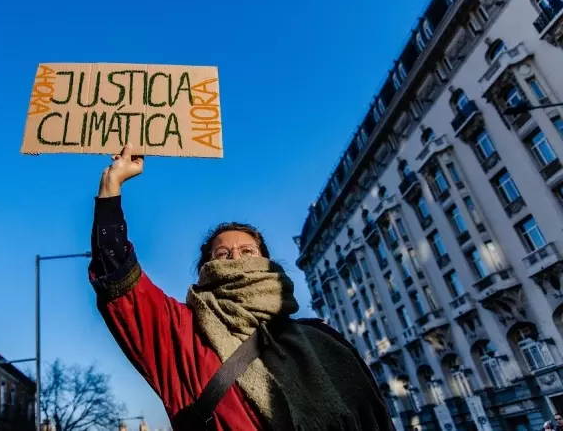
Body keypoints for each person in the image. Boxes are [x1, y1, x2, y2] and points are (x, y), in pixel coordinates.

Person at [88, 144, 394, 431]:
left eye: (248, 252)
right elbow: (120, 281)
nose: (236, 258)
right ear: (206, 270)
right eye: (223, 254)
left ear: (268, 263)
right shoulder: (182, 335)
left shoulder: (322, 339)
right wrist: (110, 187)